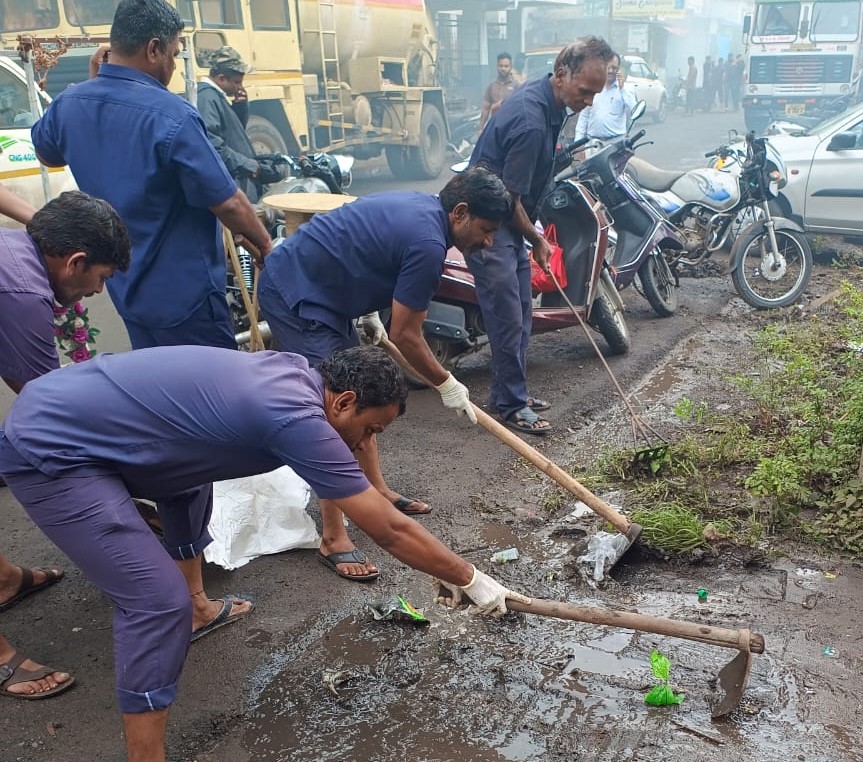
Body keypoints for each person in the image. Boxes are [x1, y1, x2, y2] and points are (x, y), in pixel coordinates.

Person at [0, 344, 528, 760]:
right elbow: (389, 529)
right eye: (369, 430)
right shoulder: (295, 416)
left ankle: (200, 607)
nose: (363, 442)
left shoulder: (297, 374)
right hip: (53, 445)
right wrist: (472, 579)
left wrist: (442, 568)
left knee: (192, 478)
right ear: (342, 401)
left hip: (87, 409)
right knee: (155, 601)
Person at [31, 0, 272, 641]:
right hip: (184, 297)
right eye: (176, 50)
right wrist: (270, 250)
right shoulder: (172, 114)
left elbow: (47, 148)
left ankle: (163, 527)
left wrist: (89, 81)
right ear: (159, 50)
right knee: (194, 433)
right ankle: (192, 595)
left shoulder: (76, 102)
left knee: (152, 408)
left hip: (123, 286)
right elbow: (227, 200)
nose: (176, 62)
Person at [257, 167, 513, 581]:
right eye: (485, 230)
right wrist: (446, 384)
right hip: (296, 294)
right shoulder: (430, 242)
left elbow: (364, 251)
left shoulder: (423, 209)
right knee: (337, 413)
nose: (488, 241)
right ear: (460, 213)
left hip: (327, 293)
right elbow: (408, 336)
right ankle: (333, 537)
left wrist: (369, 309)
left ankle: (376, 491)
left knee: (364, 397)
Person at [0, 189, 131, 699]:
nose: (97, 293)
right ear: (75, 260)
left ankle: (4, 580)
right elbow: (47, 407)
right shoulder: (22, 294)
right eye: (99, 279)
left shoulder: (18, 252)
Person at [468, 36, 611, 436]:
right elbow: (508, 198)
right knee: (507, 318)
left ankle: (509, 393)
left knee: (522, 314)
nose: (589, 101)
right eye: (585, 92)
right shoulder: (531, 119)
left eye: (595, 93)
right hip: (489, 226)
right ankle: (510, 407)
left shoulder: (550, 100)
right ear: (562, 74)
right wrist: (538, 238)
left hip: (507, 222)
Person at [196, 46, 281, 204]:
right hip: (230, 186)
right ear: (221, 78)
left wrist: (240, 108)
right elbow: (212, 146)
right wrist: (248, 165)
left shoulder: (216, 97)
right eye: (237, 82)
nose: (240, 87)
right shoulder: (207, 98)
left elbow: (232, 134)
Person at [575, 52, 637, 142]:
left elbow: (633, 111)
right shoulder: (593, 87)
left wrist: (622, 89)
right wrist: (578, 142)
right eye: (608, 67)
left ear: (618, 69)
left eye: (614, 68)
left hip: (616, 142)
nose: (611, 71)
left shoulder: (625, 89)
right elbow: (584, 116)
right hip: (593, 143)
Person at [479, 52, 520, 132]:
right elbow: (485, 109)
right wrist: (480, 128)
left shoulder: (516, 86)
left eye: (506, 66)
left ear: (511, 67)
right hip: (494, 127)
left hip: (511, 128)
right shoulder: (491, 86)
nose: (503, 69)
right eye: (500, 66)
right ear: (497, 66)